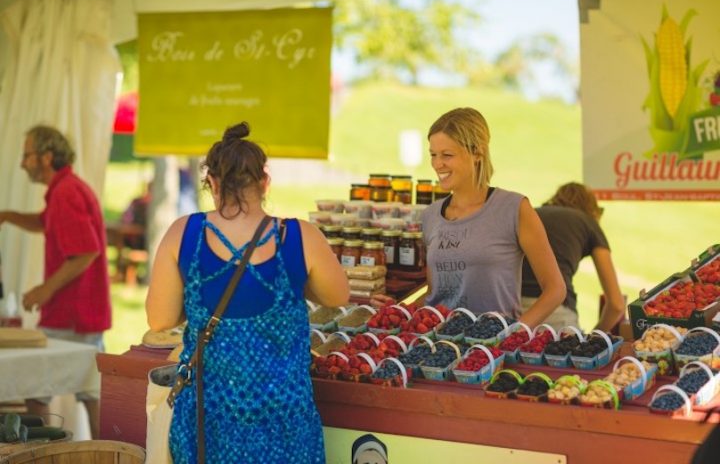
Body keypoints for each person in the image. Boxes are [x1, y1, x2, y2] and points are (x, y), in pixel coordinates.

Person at [145, 122, 349, 463]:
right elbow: (337, 296)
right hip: (285, 423)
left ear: (210, 182)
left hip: (207, 421)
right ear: (264, 182)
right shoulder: (301, 237)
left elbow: (160, 319)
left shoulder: (184, 234)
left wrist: (196, 296)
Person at [376, 107, 565, 327]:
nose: (438, 164)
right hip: (435, 345)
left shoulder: (514, 208)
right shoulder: (431, 216)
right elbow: (436, 291)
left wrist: (515, 333)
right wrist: (401, 310)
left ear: (477, 153)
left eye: (447, 155)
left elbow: (555, 289)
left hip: (490, 349)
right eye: (433, 155)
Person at [0, 125, 110, 439]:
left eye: (27, 155)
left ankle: (49, 454)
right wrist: (8, 215)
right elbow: (44, 221)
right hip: (81, 312)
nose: (22, 163)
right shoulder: (66, 189)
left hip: (72, 314)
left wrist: (44, 290)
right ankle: (103, 454)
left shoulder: (66, 193)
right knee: (85, 391)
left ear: (47, 157)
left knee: (40, 390)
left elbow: (87, 251)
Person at [521, 182, 625, 332]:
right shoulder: (587, 222)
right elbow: (617, 304)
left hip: (513, 311)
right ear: (592, 209)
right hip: (556, 313)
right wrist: (595, 337)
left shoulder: (531, 215)